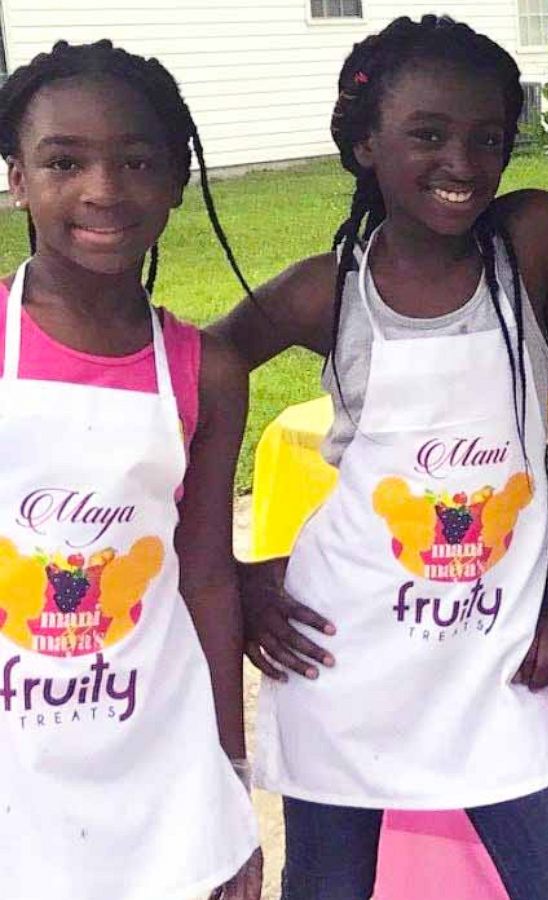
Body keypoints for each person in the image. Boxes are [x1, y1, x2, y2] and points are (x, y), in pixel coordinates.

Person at [210, 15, 548, 899]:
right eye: (427, 135)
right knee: (327, 887)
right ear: (363, 145)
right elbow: (197, 374)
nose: (462, 164)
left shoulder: (532, 241)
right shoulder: (328, 291)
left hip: (494, 657)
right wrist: (230, 572)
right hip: (342, 658)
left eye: (489, 139)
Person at [0, 40, 261, 900]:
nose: (103, 190)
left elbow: (209, 578)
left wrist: (227, 781)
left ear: (177, 179)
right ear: (15, 177)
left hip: (158, 762)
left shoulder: (205, 370)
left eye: (137, 161)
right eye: (63, 161)